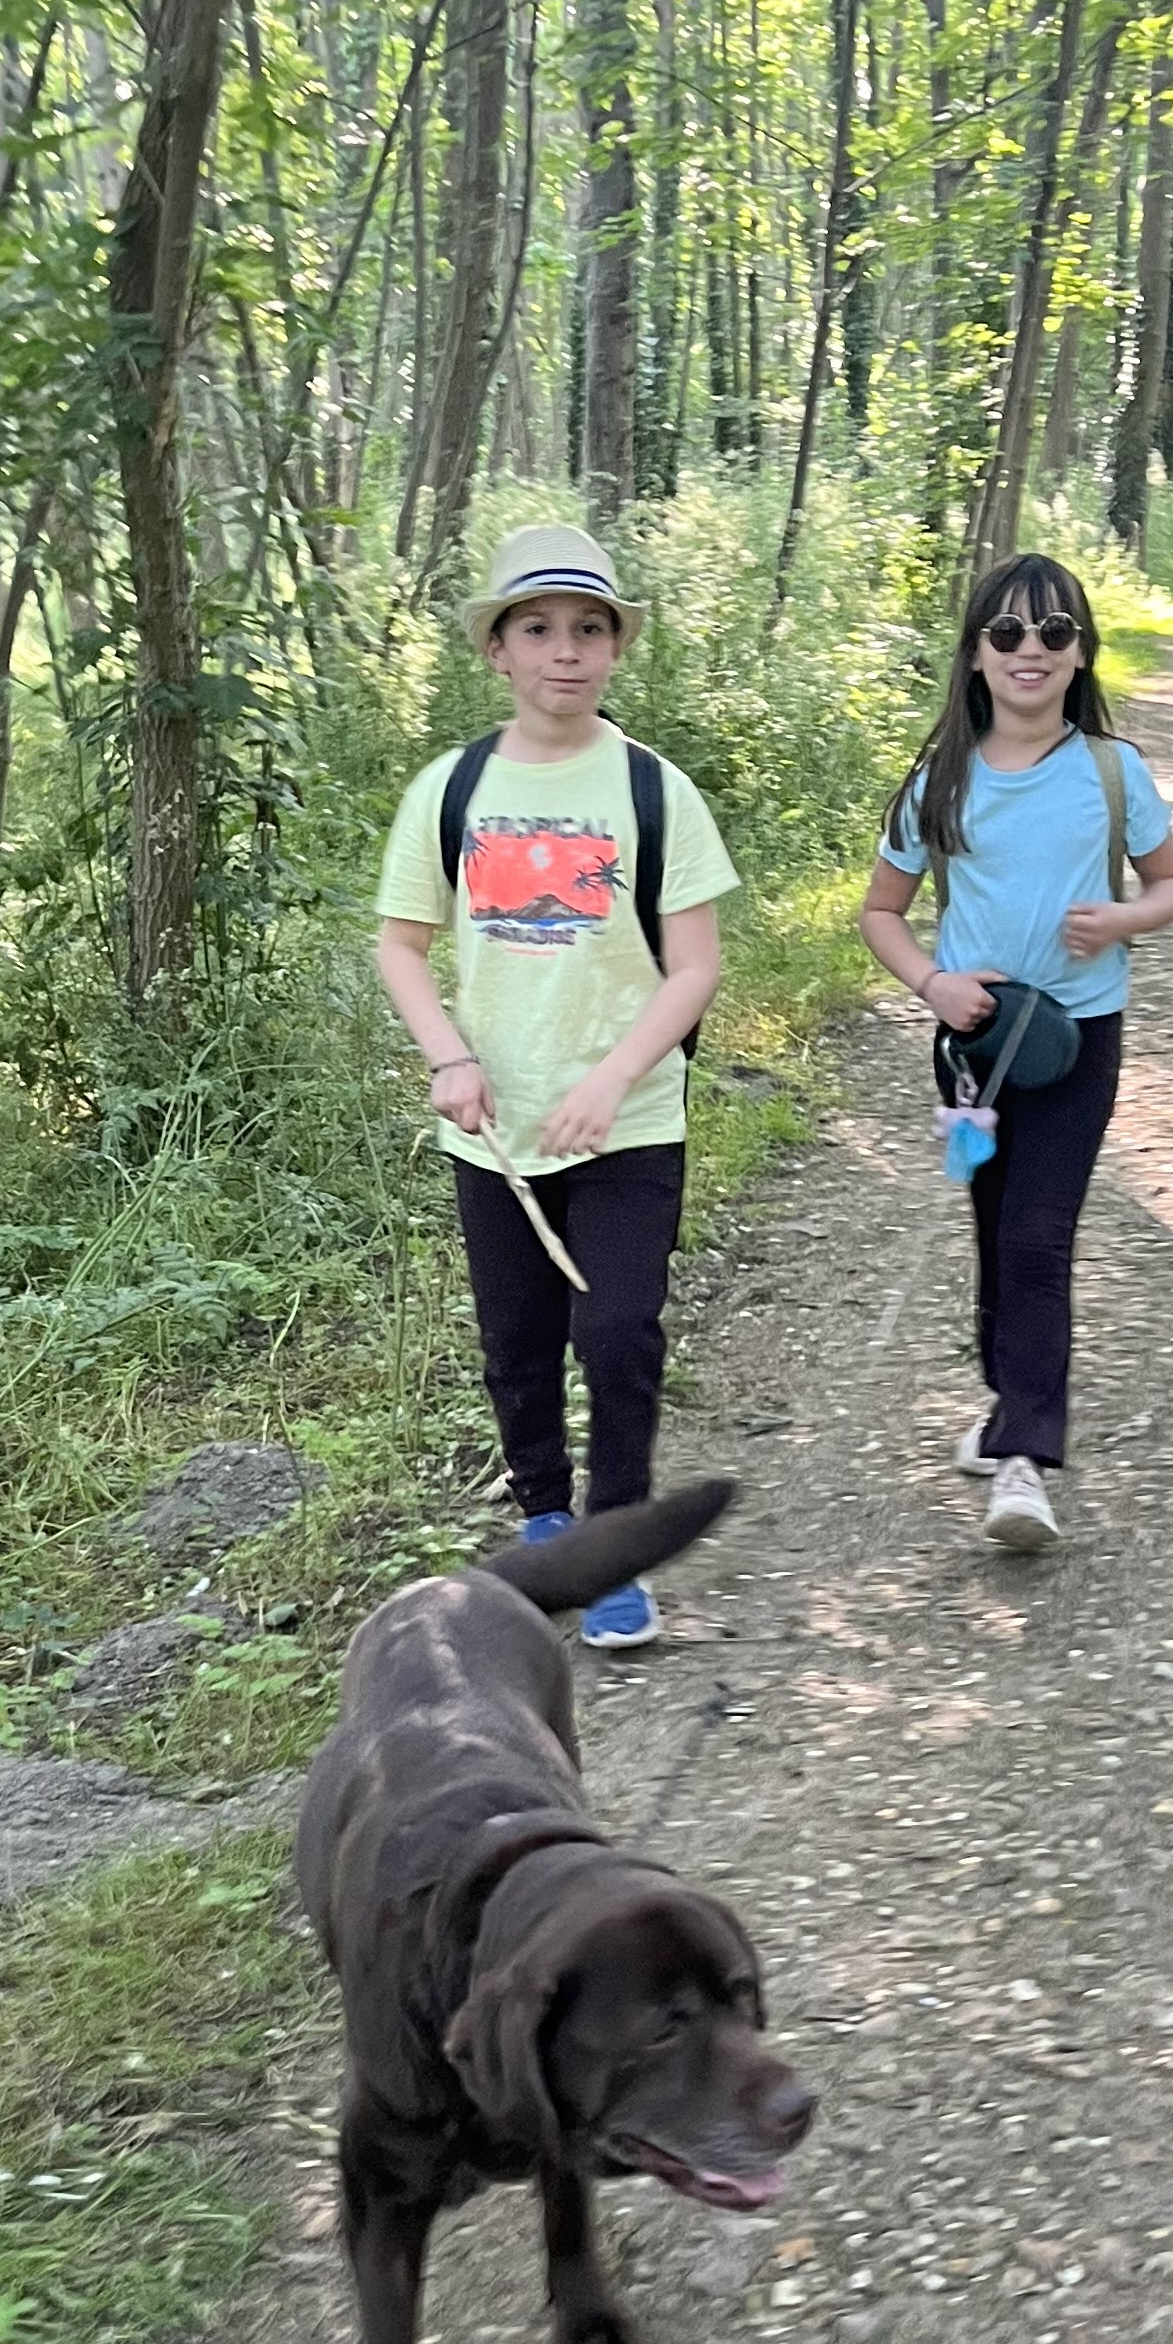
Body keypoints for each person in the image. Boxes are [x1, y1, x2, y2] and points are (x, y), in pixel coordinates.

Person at [375, 522, 738, 1652]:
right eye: (536, 629)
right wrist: (449, 1055)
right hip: (496, 1132)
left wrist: (616, 1076)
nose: (564, 651)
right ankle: (544, 1523)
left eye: (588, 628)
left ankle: (615, 1541)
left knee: (619, 1332)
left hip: (629, 1123)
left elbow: (695, 967)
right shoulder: (452, 789)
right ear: (498, 650)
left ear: (617, 646)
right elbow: (400, 944)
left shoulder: (654, 790)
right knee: (517, 1344)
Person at [859, 549, 1173, 1555]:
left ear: (1082, 653)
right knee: (997, 1234)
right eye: (1007, 631)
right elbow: (881, 913)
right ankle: (1010, 1405)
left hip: (1078, 1040)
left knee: (1039, 1239)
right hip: (972, 1049)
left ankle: (1025, 1458)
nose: (1030, 649)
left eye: (1055, 631)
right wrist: (933, 983)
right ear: (974, 654)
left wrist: (1124, 919)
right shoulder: (939, 779)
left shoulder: (1113, 771)